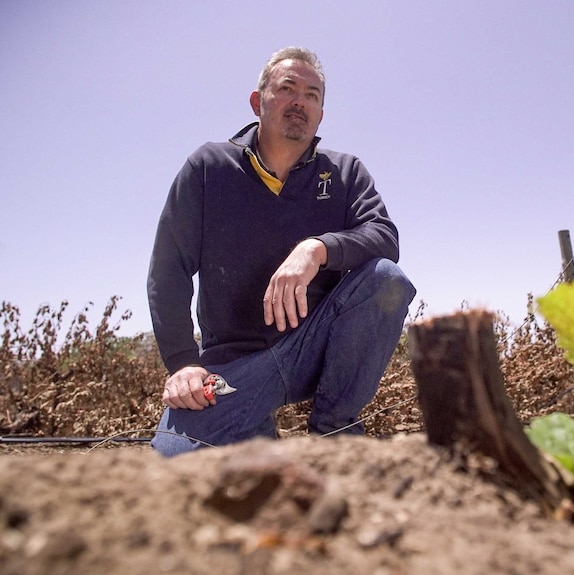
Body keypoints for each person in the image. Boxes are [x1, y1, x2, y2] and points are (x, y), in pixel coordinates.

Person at [147, 47, 415, 457]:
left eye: (312, 95)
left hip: (313, 347)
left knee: (386, 280)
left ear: (321, 113)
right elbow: (169, 270)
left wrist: (317, 248)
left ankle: (334, 434)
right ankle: (255, 434)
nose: (299, 102)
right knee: (175, 458)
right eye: (287, 88)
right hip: (233, 363)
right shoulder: (207, 168)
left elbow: (384, 236)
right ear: (258, 102)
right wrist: (184, 363)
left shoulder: (345, 172)